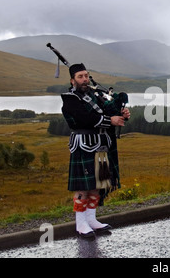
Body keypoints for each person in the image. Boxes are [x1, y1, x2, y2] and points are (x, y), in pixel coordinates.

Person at [61, 63, 130, 238]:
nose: (84, 79)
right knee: (83, 186)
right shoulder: (70, 99)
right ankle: (80, 222)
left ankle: (91, 219)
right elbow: (85, 119)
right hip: (83, 145)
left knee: (98, 184)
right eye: (80, 77)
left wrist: (122, 115)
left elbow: (109, 111)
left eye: (86, 75)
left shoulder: (95, 95)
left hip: (101, 144)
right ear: (72, 80)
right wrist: (111, 121)